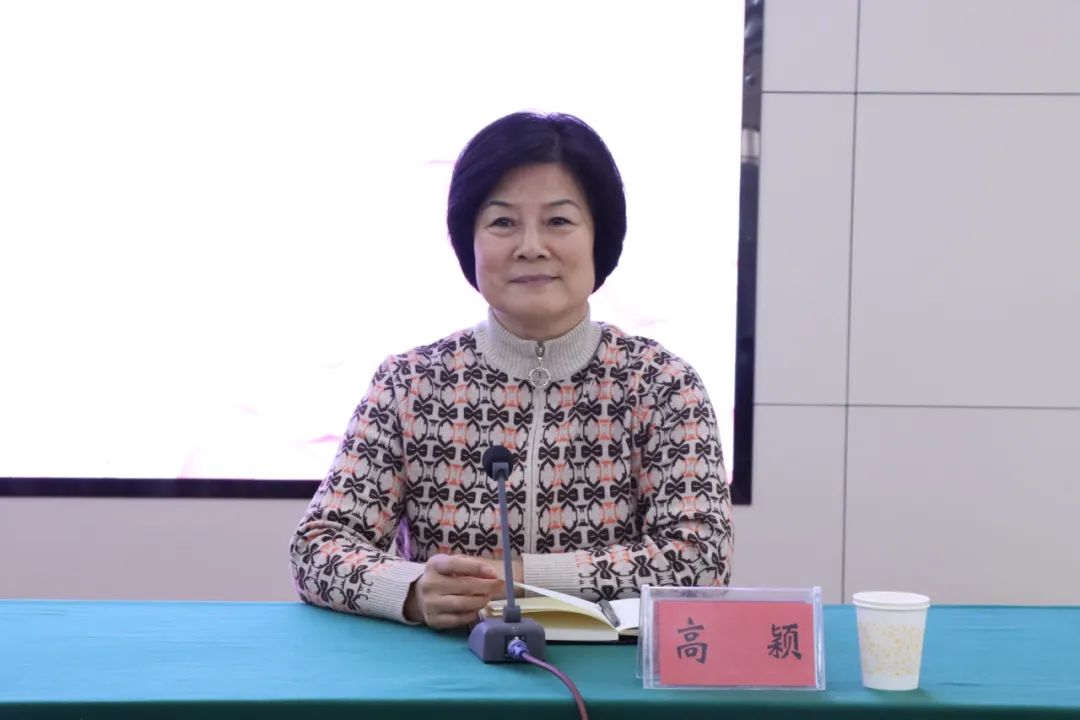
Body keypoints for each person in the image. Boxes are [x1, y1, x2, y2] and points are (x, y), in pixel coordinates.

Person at [290, 111, 733, 630]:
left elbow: (700, 561)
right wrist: (412, 591)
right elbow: (318, 549)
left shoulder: (660, 384)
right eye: (502, 222)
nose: (530, 246)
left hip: (613, 671)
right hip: (450, 669)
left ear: (600, 236)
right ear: (469, 241)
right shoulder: (412, 383)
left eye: (559, 221)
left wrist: (520, 580)